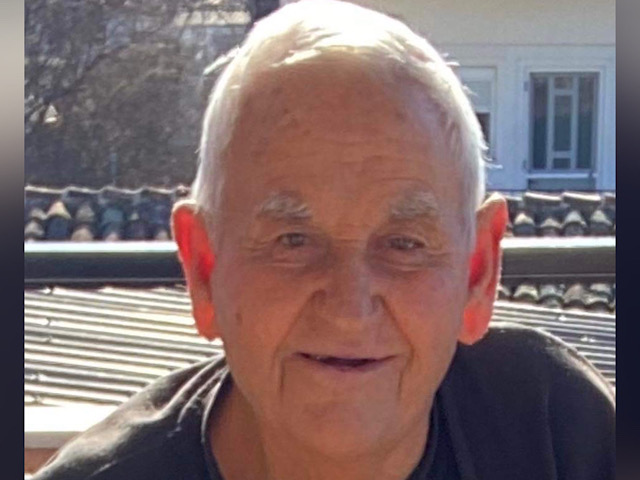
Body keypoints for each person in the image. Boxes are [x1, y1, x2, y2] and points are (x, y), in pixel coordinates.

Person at [34, 1, 615, 479]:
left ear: (478, 272)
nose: (349, 306)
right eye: (293, 240)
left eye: (404, 244)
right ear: (204, 269)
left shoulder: (555, 432)